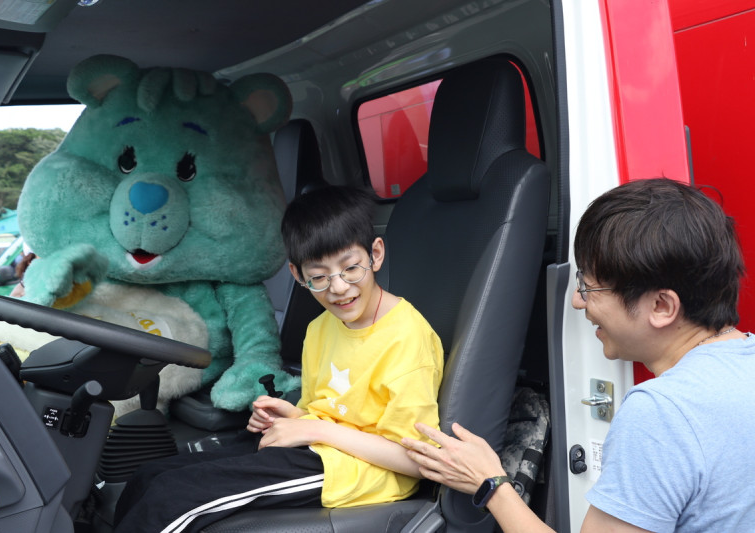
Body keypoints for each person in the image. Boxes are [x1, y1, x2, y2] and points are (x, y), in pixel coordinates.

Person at [402, 178, 755, 532]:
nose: (576, 300)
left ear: (661, 306)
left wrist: (490, 481)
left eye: (589, 286)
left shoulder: (661, 414)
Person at [113, 185, 444, 532]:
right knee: (151, 474)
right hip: (319, 446)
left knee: (169, 500)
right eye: (318, 277)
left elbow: (416, 460)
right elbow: (331, 410)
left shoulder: (407, 337)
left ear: (375, 254)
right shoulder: (321, 327)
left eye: (350, 269)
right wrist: (293, 416)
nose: (339, 288)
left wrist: (313, 428)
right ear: (298, 275)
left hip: (357, 472)